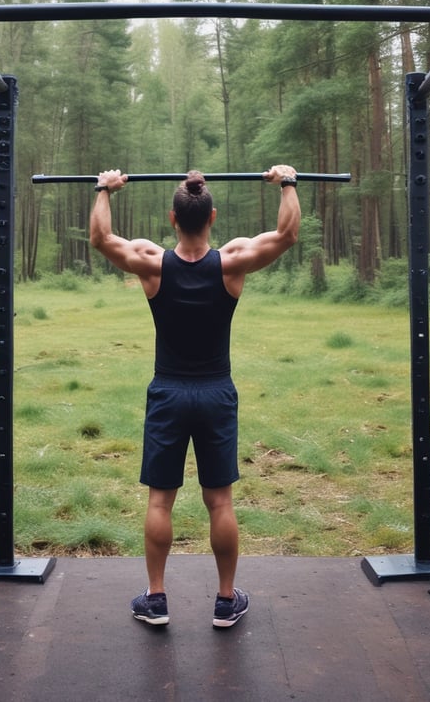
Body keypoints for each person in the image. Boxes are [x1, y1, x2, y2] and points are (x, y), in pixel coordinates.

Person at [89, 165, 300, 628]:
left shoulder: (150, 261)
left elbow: (102, 239)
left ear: (172, 219)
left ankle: (157, 599)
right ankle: (226, 601)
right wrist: (287, 182)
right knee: (220, 501)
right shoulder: (232, 261)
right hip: (216, 393)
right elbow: (286, 235)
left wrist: (104, 189)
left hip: (167, 392)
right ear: (213, 217)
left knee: (160, 501)